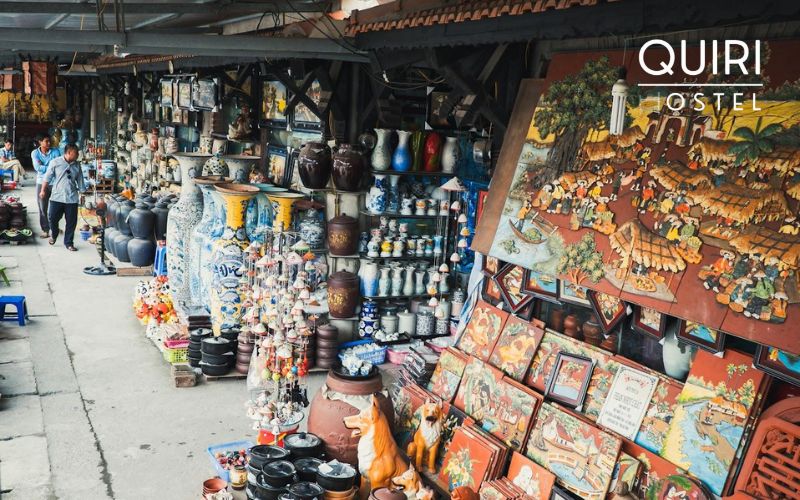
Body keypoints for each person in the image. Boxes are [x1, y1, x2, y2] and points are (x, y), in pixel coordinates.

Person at [39, 144, 84, 251]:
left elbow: (80, 180)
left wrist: (82, 194)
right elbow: (47, 178)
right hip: (57, 197)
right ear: (69, 152)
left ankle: (69, 243)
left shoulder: (77, 165)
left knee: (71, 222)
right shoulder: (55, 162)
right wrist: (42, 190)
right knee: (52, 218)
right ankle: (54, 234)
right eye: (76, 153)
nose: (78, 155)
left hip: (71, 197)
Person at [31, 136, 60, 238]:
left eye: (49, 141)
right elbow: (37, 167)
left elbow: (58, 165)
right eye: (46, 141)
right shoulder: (35, 153)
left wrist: (46, 167)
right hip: (41, 181)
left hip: (55, 182)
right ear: (40, 142)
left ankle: (54, 227)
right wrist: (52, 167)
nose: (49, 143)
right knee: (42, 207)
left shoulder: (55, 151)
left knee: (57, 206)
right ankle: (45, 229)